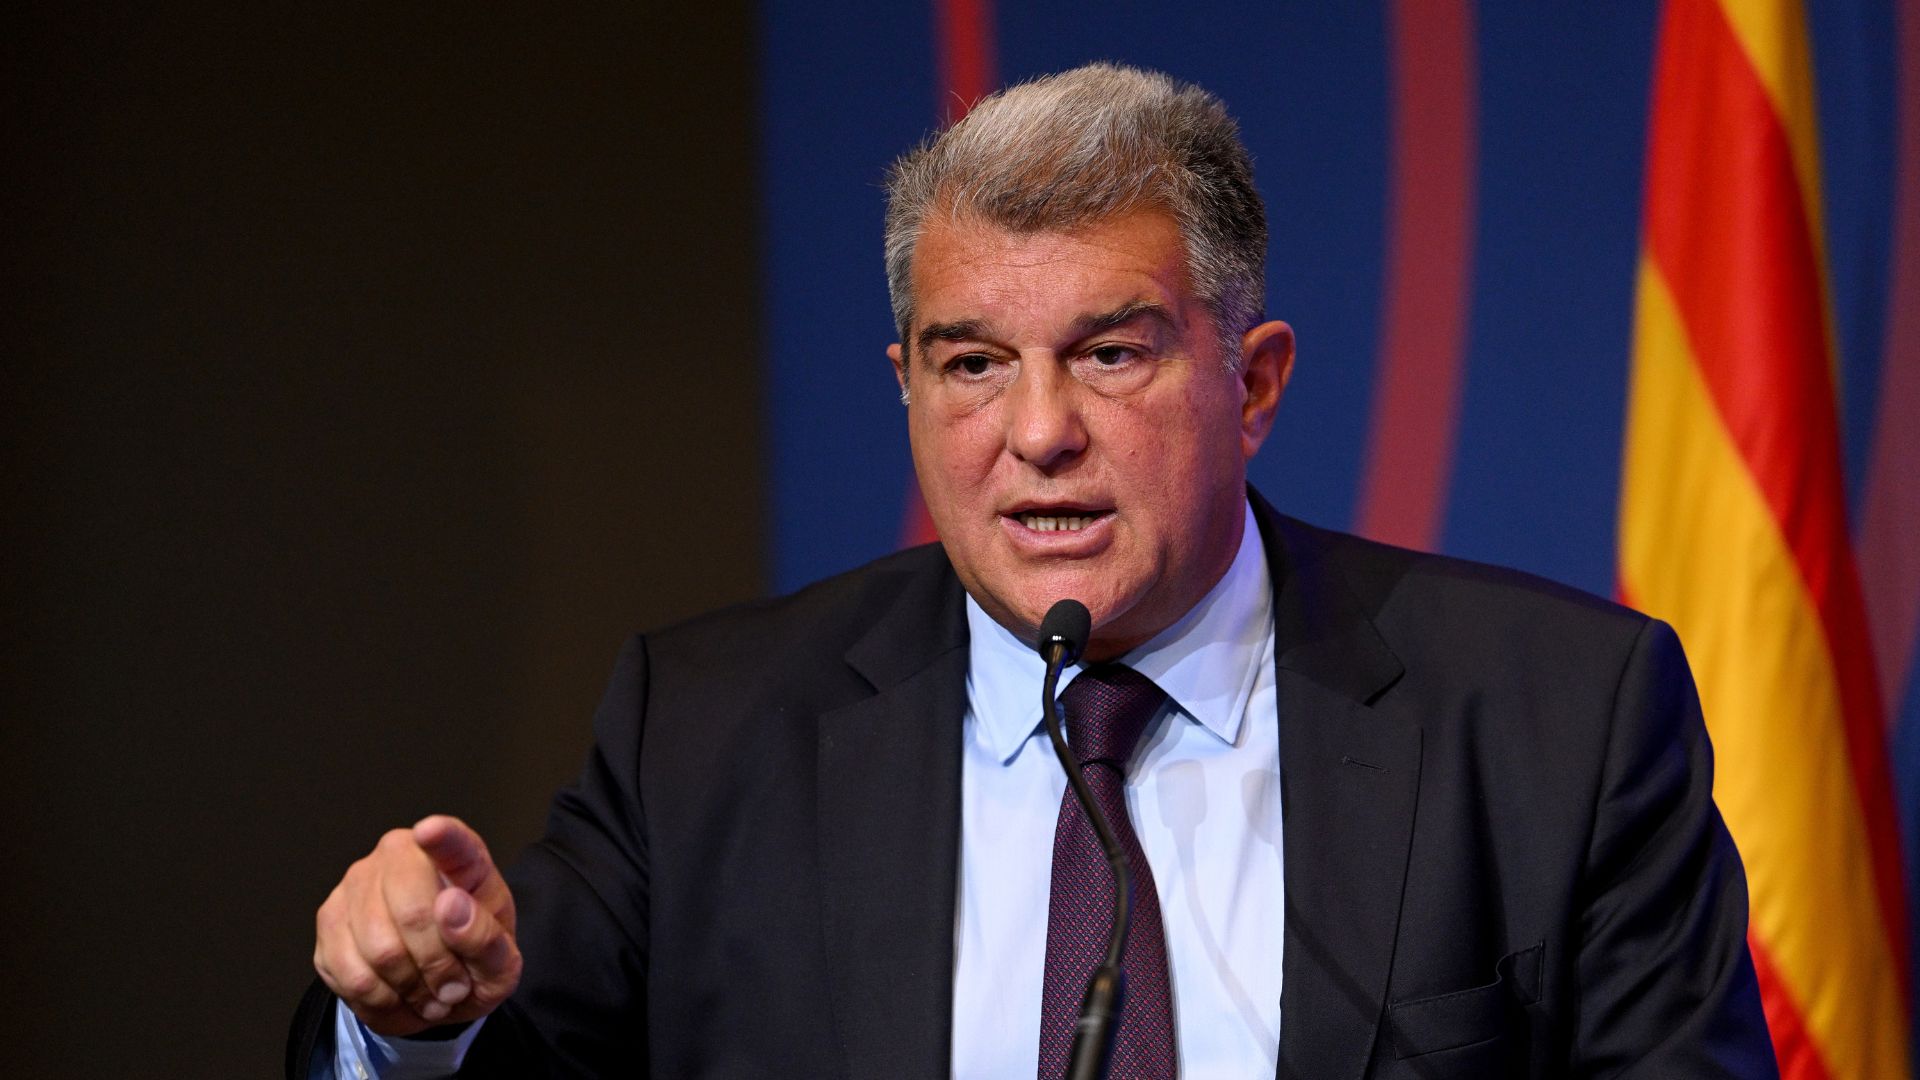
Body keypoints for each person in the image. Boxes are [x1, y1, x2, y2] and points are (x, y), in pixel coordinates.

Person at [292, 63, 1776, 1079]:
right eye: (972, 364)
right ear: (905, 386)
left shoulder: (1552, 721)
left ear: (1254, 384)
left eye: (1110, 354)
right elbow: (512, 1046)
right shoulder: (708, 730)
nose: (1038, 433)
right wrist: (413, 1026)